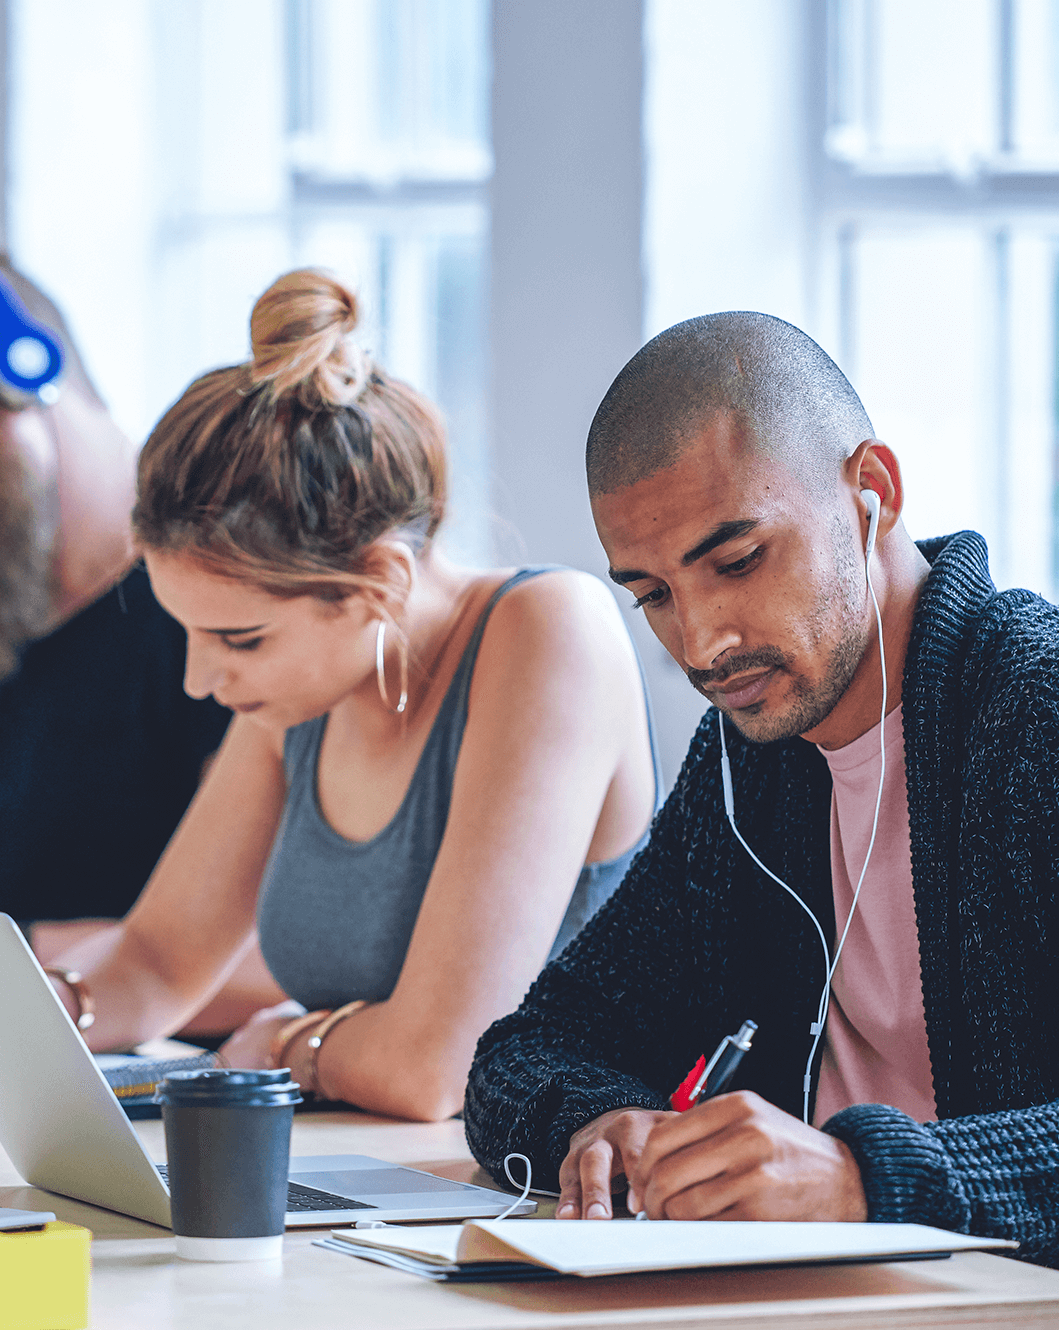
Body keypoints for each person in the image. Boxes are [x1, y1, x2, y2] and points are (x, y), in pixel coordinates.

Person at [334, 313, 1059, 1330]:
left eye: (737, 560)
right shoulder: (753, 764)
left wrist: (868, 1183)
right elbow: (526, 1049)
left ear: (871, 489)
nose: (701, 643)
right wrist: (609, 1128)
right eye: (652, 594)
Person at [45, 266, 658, 1123]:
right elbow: (154, 961)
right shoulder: (302, 693)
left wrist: (287, 1043)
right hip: (377, 1176)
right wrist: (49, 1015)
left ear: (379, 581)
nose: (199, 679)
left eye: (240, 638)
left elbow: (439, 1067)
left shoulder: (550, 631)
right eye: (188, 630)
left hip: (529, 1194)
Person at [0, 259, 284, 1036]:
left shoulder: (245, 608)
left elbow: (296, 960)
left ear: (26, 381)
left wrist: (23, 955)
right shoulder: (17, 611)